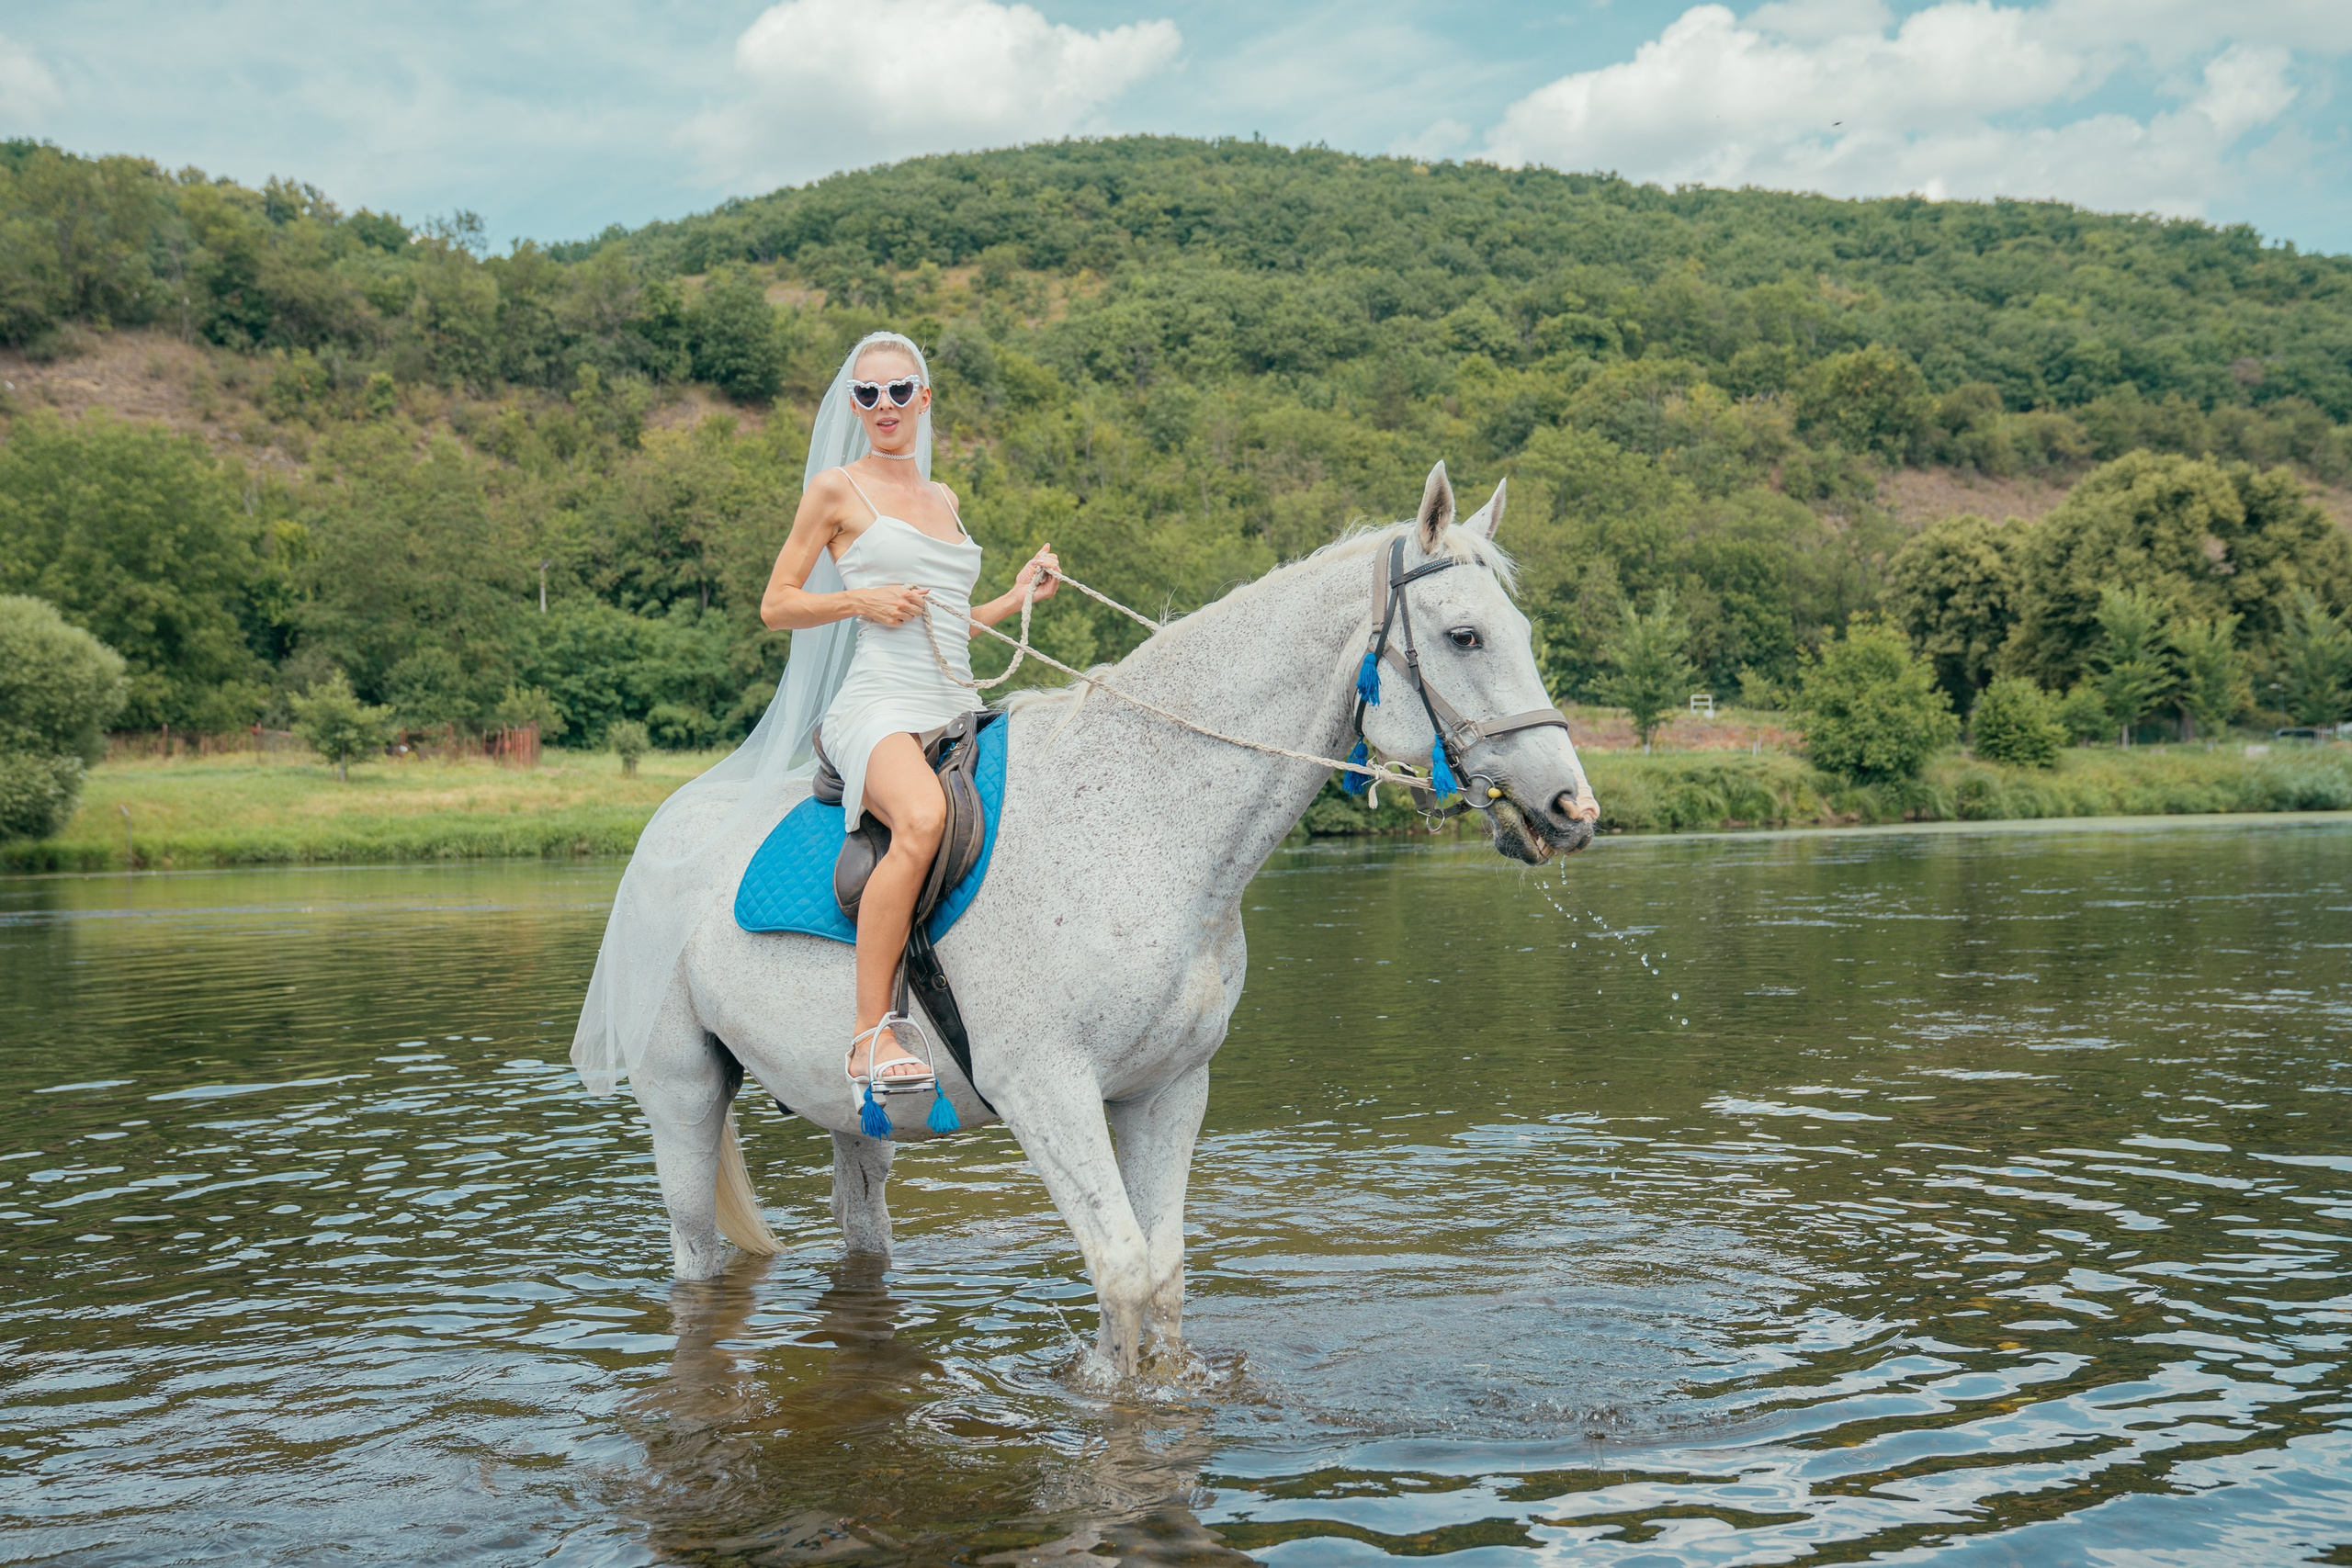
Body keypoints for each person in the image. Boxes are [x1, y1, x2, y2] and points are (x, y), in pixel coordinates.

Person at [758, 333, 1058, 1098]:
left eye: (899, 391)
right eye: (868, 394)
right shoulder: (835, 489)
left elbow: (952, 619)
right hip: (879, 704)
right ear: (854, 405)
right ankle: (869, 1034)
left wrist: (1019, 593)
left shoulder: (944, 497)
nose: (884, 406)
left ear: (924, 398)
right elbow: (776, 604)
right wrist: (860, 599)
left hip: (956, 702)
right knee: (921, 816)